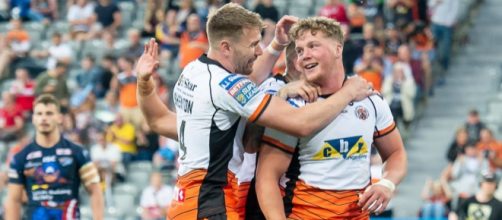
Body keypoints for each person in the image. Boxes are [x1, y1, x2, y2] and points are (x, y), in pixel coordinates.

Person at [136, 4, 372, 219]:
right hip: (211, 205)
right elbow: (301, 123)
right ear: (226, 47)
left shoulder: (193, 71)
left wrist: (144, 83)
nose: (259, 51)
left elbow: (158, 120)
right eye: (252, 45)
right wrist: (348, 92)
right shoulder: (225, 86)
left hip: (185, 204)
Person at [255, 17, 407, 219]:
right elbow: (267, 177)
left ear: (338, 49)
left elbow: (396, 153)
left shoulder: (370, 101)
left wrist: (387, 184)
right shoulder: (292, 105)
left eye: (313, 46)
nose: (304, 56)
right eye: (300, 51)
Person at [4, 94, 104, 220]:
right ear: (33, 118)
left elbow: (95, 191)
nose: (44, 118)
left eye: (49, 113)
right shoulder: (20, 157)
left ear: (59, 118)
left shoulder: (78, 152)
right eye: (39, 114)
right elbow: (13, 200)